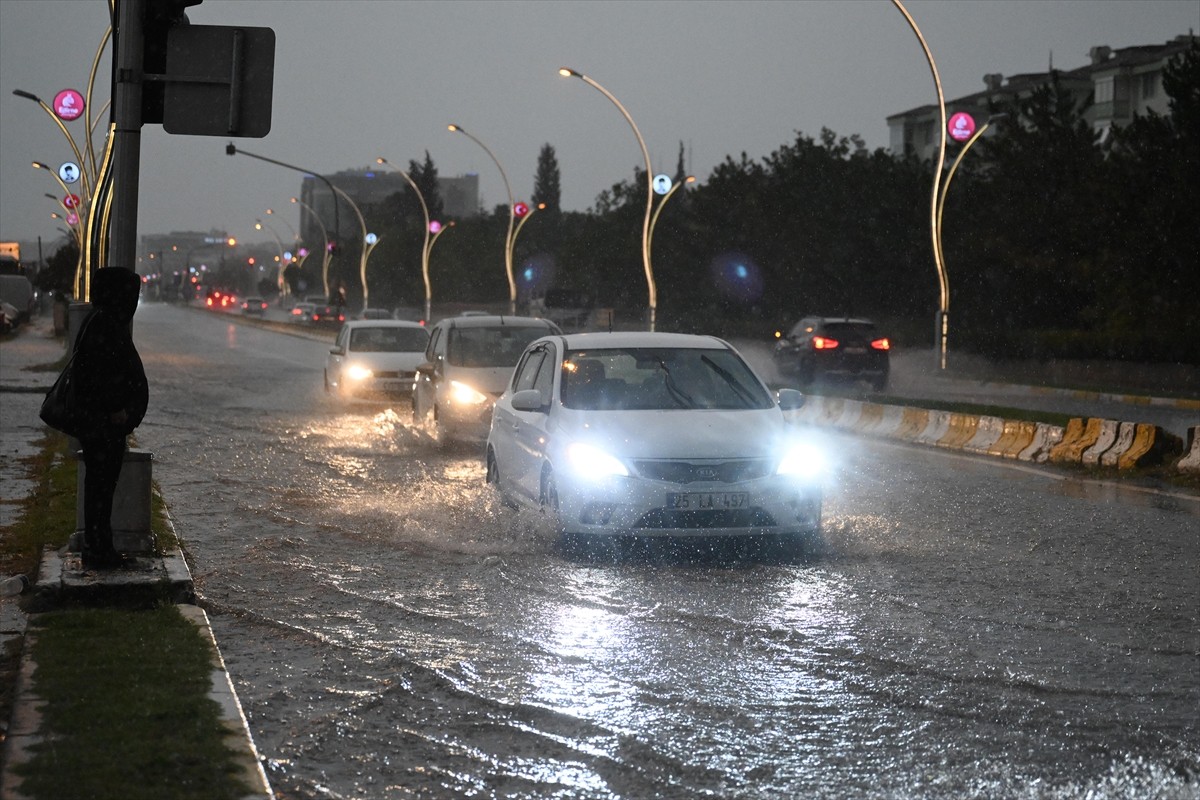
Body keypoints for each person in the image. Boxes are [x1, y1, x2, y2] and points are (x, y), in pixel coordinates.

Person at [74, 267, 149, 569]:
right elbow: (100, 375)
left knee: (101, 488)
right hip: (104, 425)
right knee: (100, 489)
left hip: (103, 424)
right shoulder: (104, 325)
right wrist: (115, 410)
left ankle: (100, 547)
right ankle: (99, 551)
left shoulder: (101, 322)